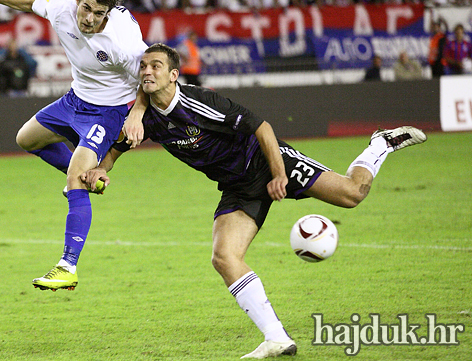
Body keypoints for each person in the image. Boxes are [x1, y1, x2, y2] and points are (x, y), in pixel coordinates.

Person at [82, 43, 427, 359]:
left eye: (156, 66)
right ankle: (276, 338)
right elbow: (118, 147)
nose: (146, 71)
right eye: (143, 66)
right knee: (224, 256)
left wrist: (279, 174)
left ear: (174, 75)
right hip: (237, 185)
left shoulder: (200, 102)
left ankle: (379, 144)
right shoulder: (144, 118)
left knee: (353, 194)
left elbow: (261, 127)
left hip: (267, 159)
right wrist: (101, 169)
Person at [0, 0, 149, 291]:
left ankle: (67, 266)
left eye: (99, 14)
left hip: (107, 112)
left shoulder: (123, 44)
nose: (90, 19)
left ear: (108, 13)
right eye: (87, 8)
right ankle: (84, 177)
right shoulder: (63, 9)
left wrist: (136, 112)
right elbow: (28, 3)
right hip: (73, 100)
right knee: (26, 138)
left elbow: (149, 79)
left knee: (74, 179)